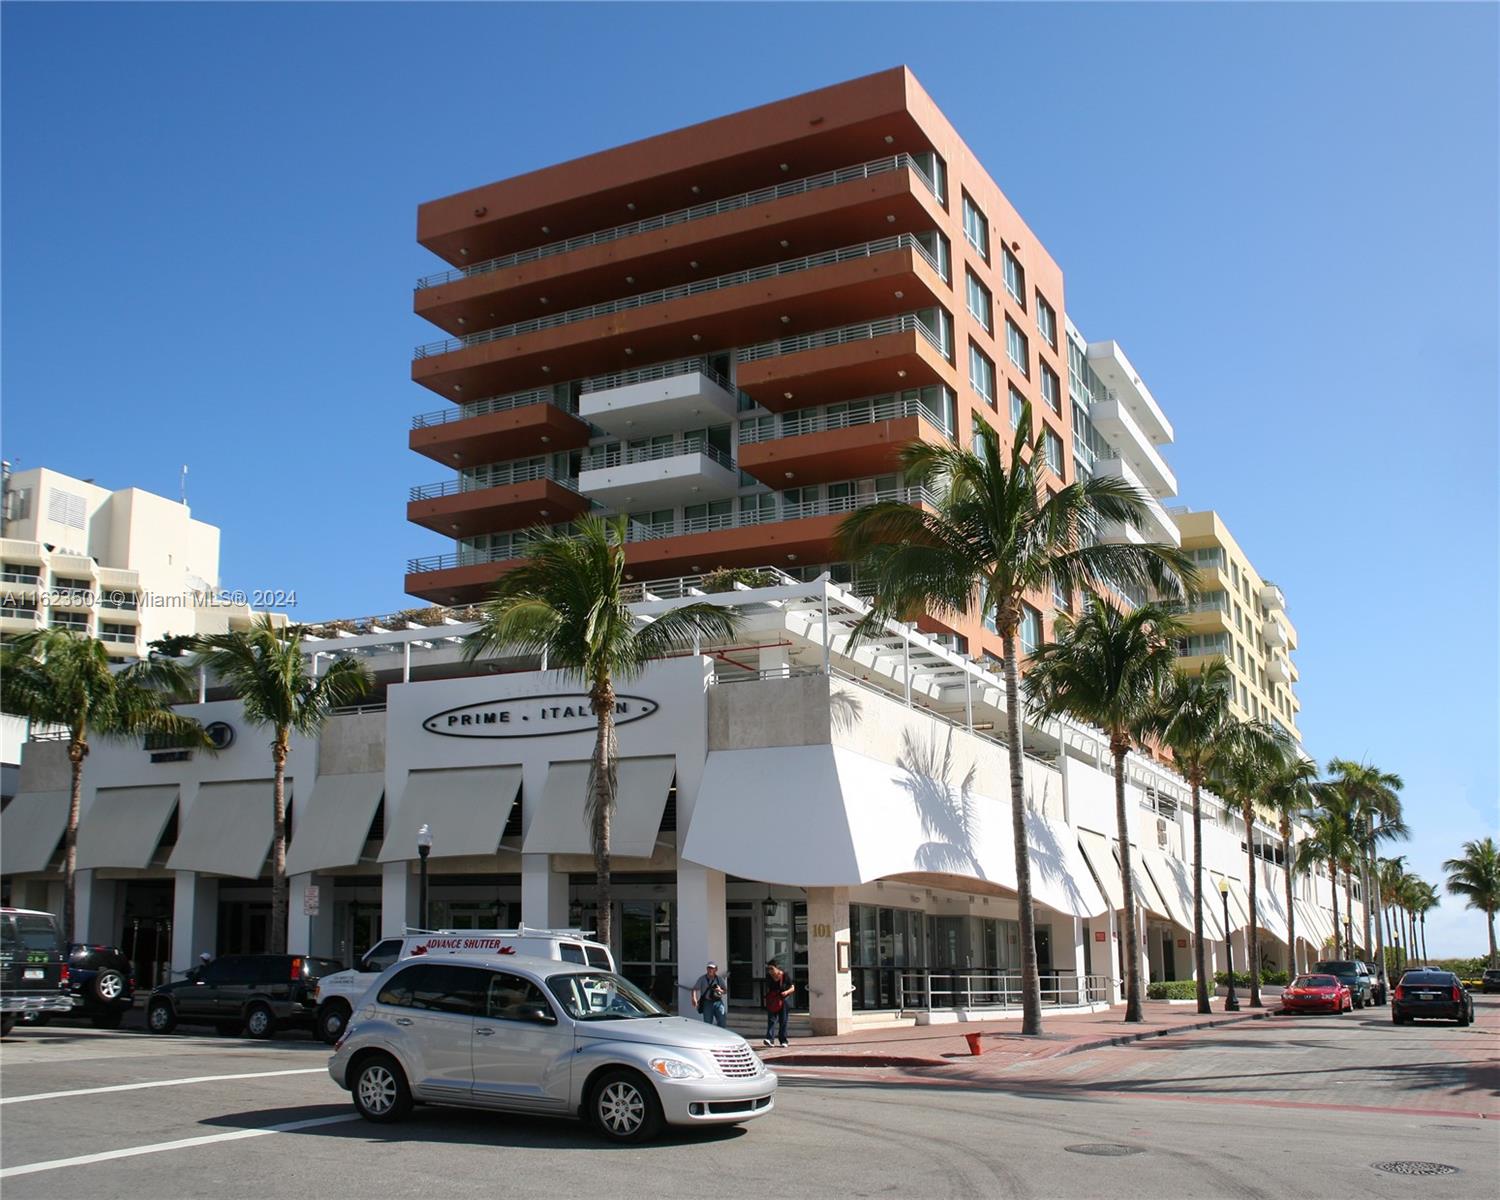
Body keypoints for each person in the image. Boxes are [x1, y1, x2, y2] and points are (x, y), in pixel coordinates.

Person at [763, 959, 795, 1047]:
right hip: (773, 1000)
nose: (770, 971)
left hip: (783, 1000)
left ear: (777, 968)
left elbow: (792, 987)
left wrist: (786, 992)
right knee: (771, 1020)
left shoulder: (785, 975)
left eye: (771, 968)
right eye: (768, 969)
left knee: (783, 1020)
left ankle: (783, 1040)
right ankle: (770, 1039)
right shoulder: (768, 977)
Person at [691, 962, 728, 1027]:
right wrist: (694, 998)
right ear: (707, 969)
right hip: (707, 1003)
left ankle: (720, 1036)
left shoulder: (719, 979)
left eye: (712, 968)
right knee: (707, 1024)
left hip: (718, 1002)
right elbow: (694, 989)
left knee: (722, 1022)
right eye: (709, 968)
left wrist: (720, 990)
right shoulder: (702, 978)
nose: (710, 970)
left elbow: (725, 991)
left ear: (716, 969)